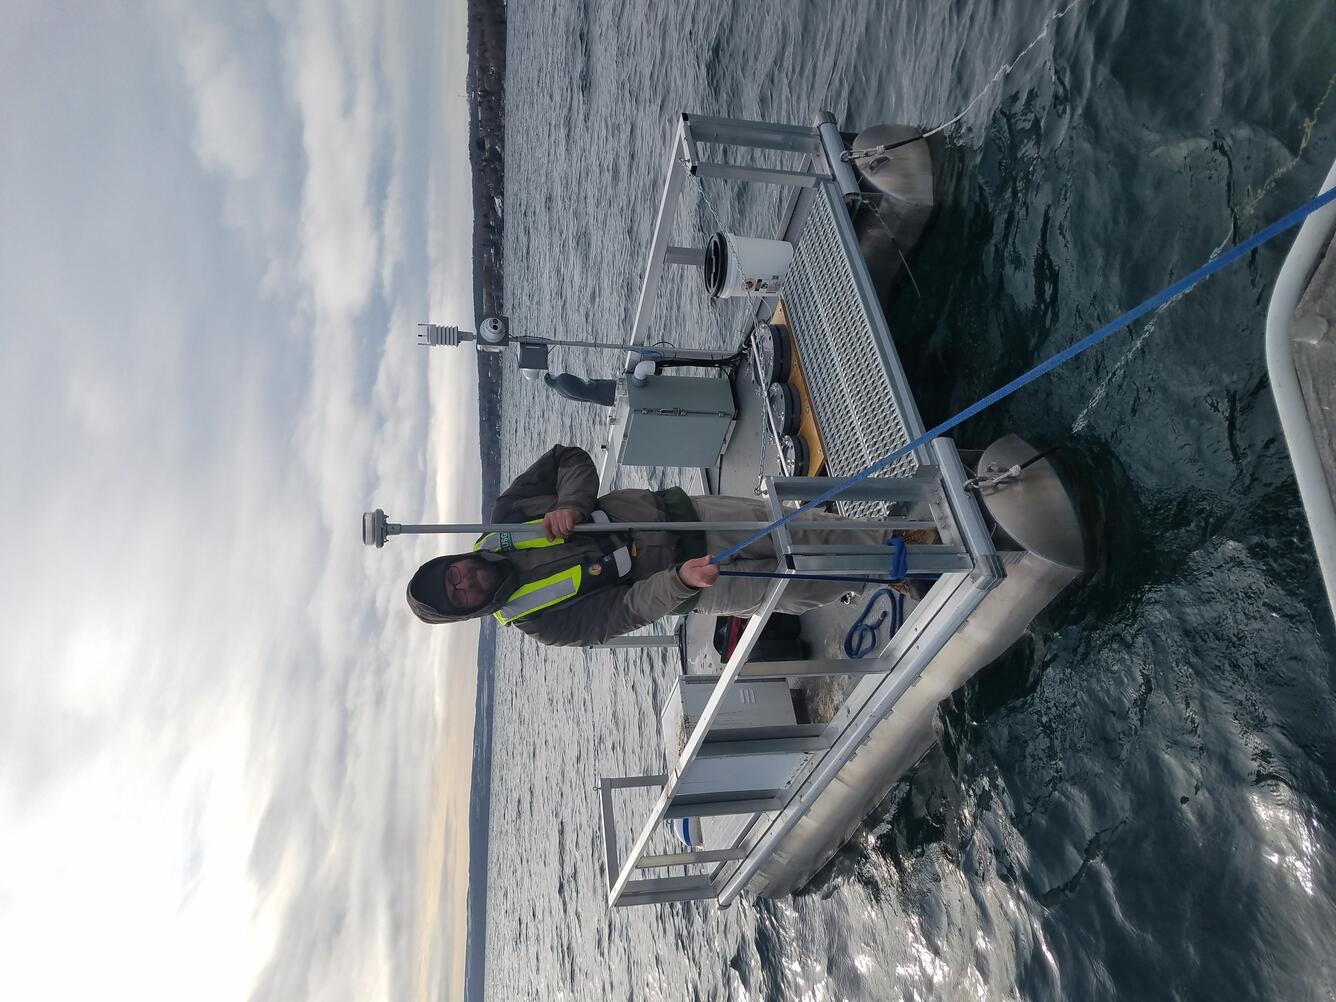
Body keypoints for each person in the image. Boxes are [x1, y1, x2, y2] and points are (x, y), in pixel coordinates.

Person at [406, 444, 890, 647]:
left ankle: (897, 542)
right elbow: (622, 613)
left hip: (687, 517)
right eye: (459, 596)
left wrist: (572, 504)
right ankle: (883, 574)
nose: (465, 582)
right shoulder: (538, 623)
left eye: (454, 574)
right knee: (802, 590)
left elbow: (567, 459)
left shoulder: (507, 514)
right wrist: (679, 582)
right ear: (466, 612)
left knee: (802, 530)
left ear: (456, 560)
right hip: (697, 584)